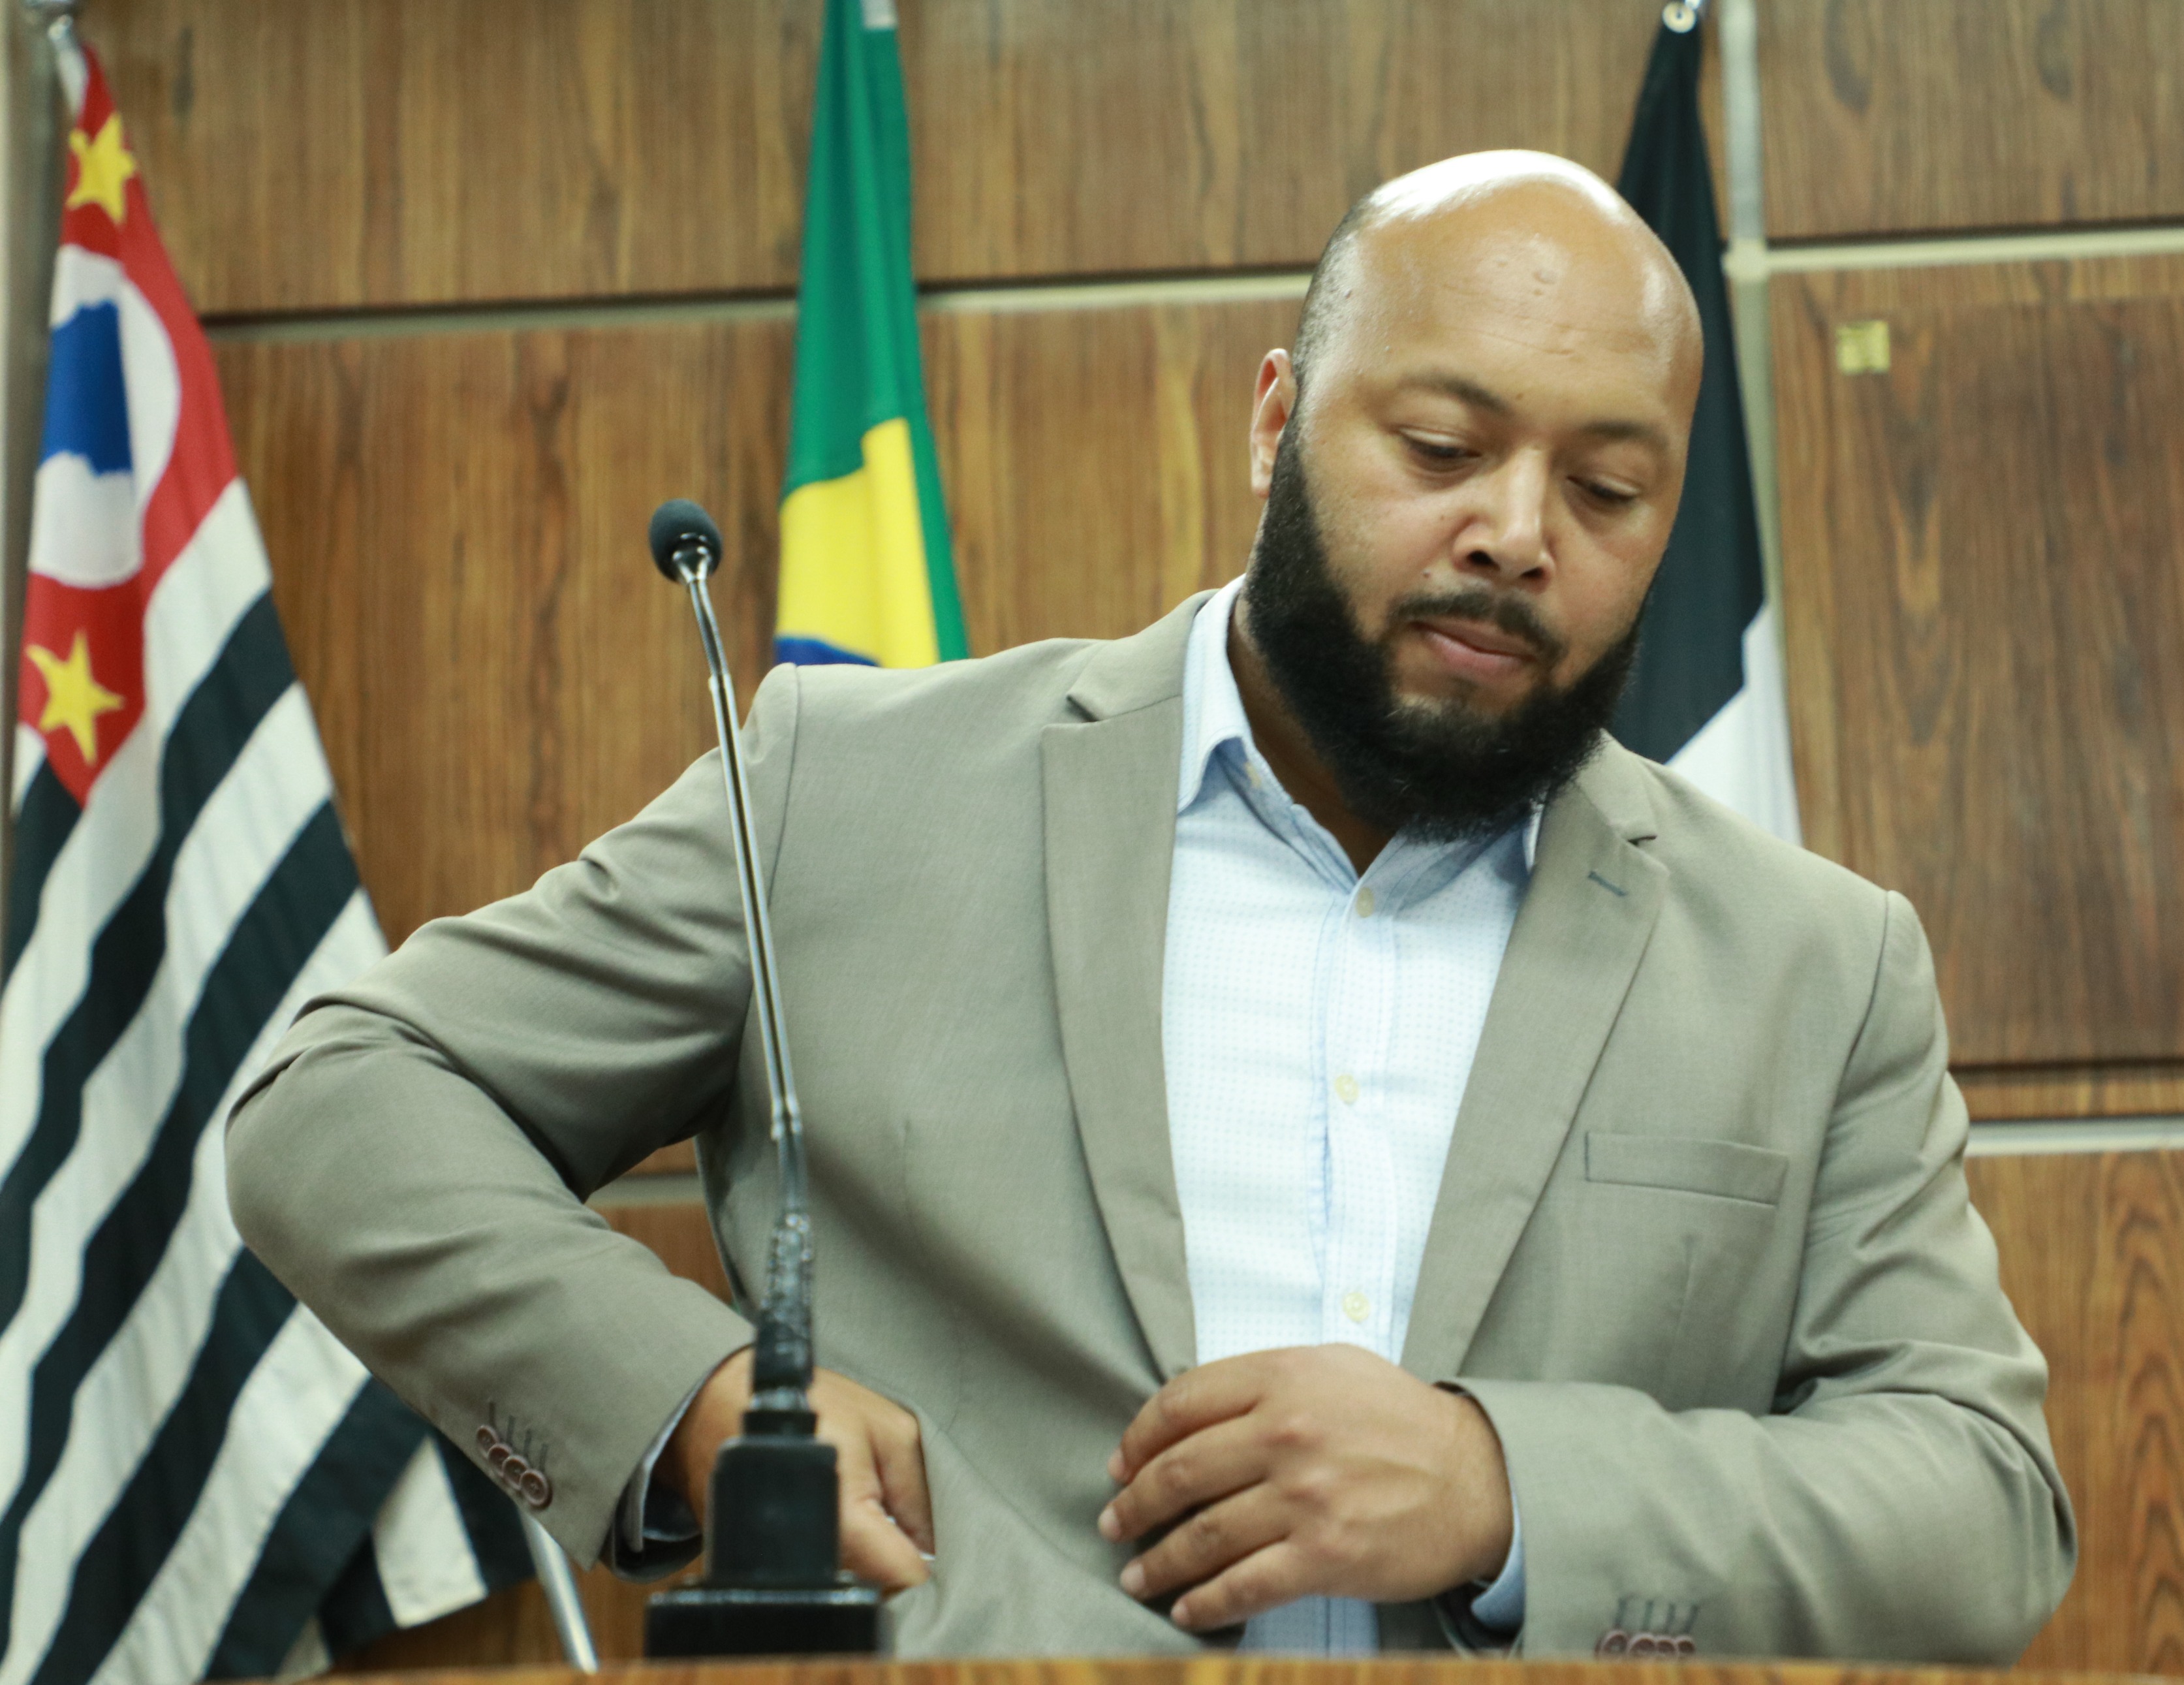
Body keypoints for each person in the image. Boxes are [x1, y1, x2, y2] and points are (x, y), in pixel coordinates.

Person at [228, 150, 2076, 1660]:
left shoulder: (1815, 962)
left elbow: (1984, 1504)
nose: (1519, 534)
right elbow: (342, 1100)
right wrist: (708, 1402)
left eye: (1607, 488)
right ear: (1277, 421)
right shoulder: (845, 794)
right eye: (1442, 450)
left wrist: (1506, 1487)